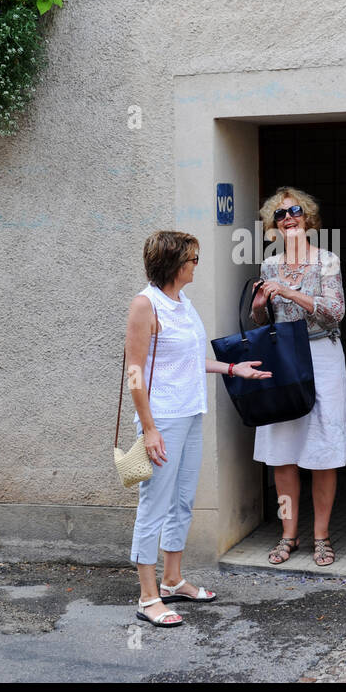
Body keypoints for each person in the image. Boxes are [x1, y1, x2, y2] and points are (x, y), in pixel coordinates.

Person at [125, 230, 271, 627]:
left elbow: (189, 360)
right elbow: (134, 374)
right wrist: (150, 429)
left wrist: (231, 368)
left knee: (183, 500)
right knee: (153, 504)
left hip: (191, 413)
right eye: (192, 259)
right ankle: (148, 596)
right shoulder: (146, 305)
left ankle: (172, 580)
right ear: (173, 262)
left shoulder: (182, 302)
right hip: (163, 419)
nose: (196, 265)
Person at [249, 187, 346, 568]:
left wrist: (291, 294)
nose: (288, 218)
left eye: (294, 211)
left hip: (322, 355)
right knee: (283, 451)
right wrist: (261, 307)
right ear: (273, 225)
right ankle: (288, 535)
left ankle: (322, 537)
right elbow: (263, 323)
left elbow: (335, 311)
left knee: (324, 450)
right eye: (280, 215)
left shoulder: (327, 260)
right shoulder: (268, 266)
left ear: (308, 217)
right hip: (284, 357)